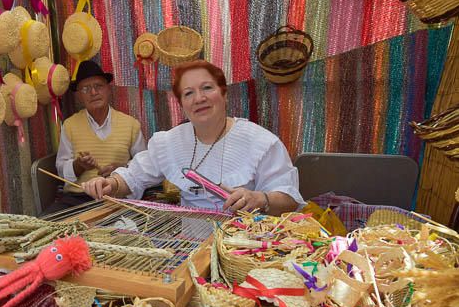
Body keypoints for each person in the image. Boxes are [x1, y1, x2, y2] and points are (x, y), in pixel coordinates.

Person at [82, 60, 304, 215]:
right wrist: (110, 184)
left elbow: (289, 199)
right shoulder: (170, 142)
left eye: (207, 88)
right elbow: (133, 177)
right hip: (190, 245)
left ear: (223, 94)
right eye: (188, 93)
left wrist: (261, 199)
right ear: (181, 104)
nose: (199, 98)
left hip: (242, 247)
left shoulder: (261, 143)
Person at [49, 60, 146, 212]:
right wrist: (78, 166)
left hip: (118, 198)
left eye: (98, 86)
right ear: (79, 96)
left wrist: (120, 169)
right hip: (78, 199)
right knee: (48, 224)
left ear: (108, 89)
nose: (93, 93)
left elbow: (143, 166)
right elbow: (61, 169)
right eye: (86, 89)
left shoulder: (131, 125)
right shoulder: (70, 125)